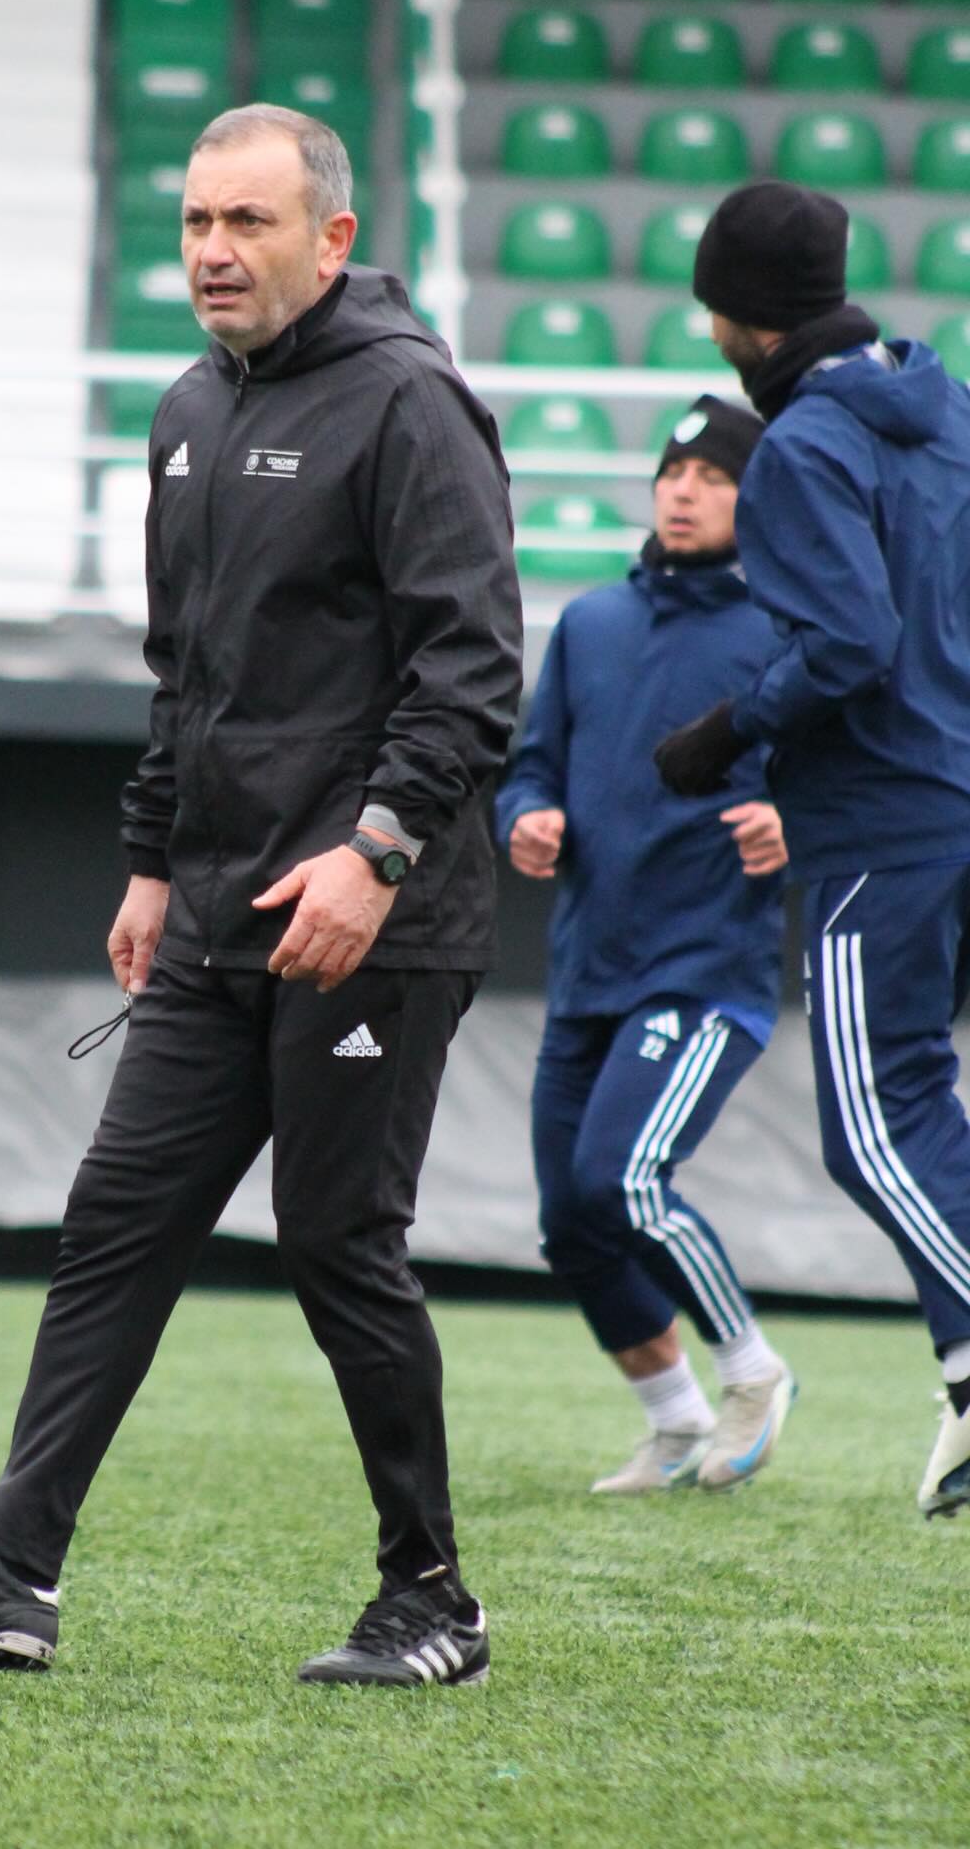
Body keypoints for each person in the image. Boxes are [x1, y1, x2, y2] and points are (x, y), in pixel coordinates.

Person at [0, 105, 523, 1683]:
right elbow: (183, 674)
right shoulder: (189, 409)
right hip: (212, 912)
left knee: (338, 1243)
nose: (213, 250)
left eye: (248, 221)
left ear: (331, 239)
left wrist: (377, 852)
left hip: (370, 915)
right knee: (116, 1224)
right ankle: (10, 1572)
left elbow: (474, 668)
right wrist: (149, 857)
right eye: (197, 220)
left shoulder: (411, 402)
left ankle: (433, 1599)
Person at [655, 178, 970, 1520]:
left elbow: (846, 643)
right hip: (954, 786)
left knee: (877, 1121)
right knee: (921, 1103)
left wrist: (725, 730)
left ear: (743, 315)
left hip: (880, 817)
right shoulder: (946, 407)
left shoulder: (799, 450)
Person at [497, 397, 795, 1494]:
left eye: (713, 476)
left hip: (706, 971)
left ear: (754, 500)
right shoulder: (591, 622)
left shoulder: (787, 633)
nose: (684, 490)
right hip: (591, 966)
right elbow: (533, 763)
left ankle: (753, 1372)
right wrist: (524, 815)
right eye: (674, 470)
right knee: (571, 1222)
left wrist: (793, 822)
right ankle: (674, 1422)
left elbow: (848, 781)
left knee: (623, 1178)